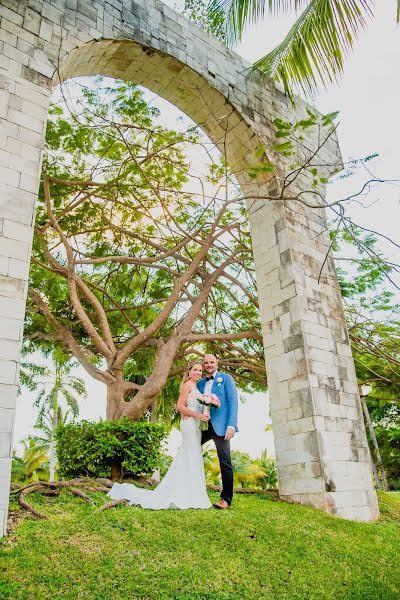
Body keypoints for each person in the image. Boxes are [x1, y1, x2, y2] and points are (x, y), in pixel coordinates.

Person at [107, 362, 211, 510]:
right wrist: (197, 415)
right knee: (190, 454)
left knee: (192, 455)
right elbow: (179, 406)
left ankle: (190, 490)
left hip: (196, 424)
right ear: (189, 372)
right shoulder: (187, 385)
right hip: (189, 424)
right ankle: (187, 492)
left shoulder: (196, 387)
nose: (198, 372)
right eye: (195, 370)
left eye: (200, 370)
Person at [197, 354, 238, 510]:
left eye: (212, 362)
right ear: (203, 364)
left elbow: (233, 401)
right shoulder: (200, 383)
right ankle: (188, 489)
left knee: (225, 462)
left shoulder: (225, 378)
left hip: (221, 428)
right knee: (187, 451)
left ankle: (226, 500)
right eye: (206, 363)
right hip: (203, 426)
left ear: (217, 363)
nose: (209, 365)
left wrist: (232, 425)